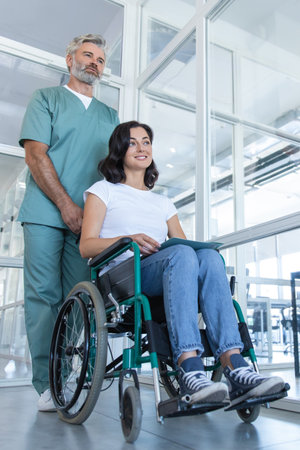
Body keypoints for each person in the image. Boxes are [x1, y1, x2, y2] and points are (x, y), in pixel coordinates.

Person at [80, 120, 286, 407]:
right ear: (119, 150)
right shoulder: (103, 191)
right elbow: (86, 246)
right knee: (181, 255)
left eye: (146, 142)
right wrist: (128, 239)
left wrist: (193, 253)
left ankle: (235, 364)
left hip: (161, 271)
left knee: (209, 257)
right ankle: (189, 366)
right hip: (123, 275)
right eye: (132, 142)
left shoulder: (163, 202)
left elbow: (185, 248)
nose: (141, 148)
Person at [19, 34, 119, 411]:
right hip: (46, 214)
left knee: (78, 299)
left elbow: (115, 173)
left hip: (87, 224)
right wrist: (65, 204)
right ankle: (47, 384)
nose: (94, 62)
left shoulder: (110, 116)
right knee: (44, 298)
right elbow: (35, 155)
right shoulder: (46, 99)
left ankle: (69, 375)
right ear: (69, 59)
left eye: (100, 59)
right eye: (87, 55)